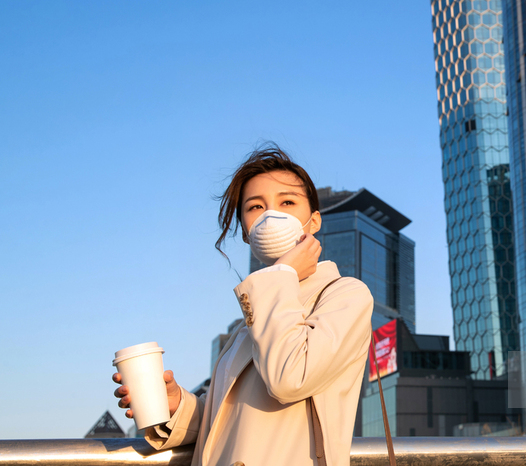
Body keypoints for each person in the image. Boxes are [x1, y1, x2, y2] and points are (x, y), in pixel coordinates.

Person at [113, 146, 374, 466]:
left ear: (314, 221)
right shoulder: (252, 317)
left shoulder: (346, 295)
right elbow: (230, 420)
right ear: (248, 233)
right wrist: (176, 405)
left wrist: (282, 274)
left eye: (288, 202)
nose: (271, 216)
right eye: (255, 207)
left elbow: (289, 379)